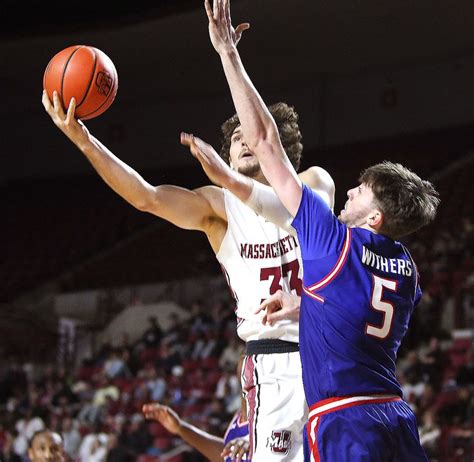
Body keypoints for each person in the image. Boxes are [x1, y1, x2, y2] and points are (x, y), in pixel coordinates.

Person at [42, 46, 334, 461]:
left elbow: (304, 207)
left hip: (331, 350)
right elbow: (147, 197)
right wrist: (85, 141)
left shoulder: (313, 181)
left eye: (250, 134)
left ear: (274, 142)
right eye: (234, 140)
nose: (242, 142)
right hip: (273, 361)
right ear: (228, 157)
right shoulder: (218, 207)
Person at [181, 1, 441, 460]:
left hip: (344, 418)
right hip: (395, 415)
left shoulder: (331, 242)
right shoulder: (407, 271)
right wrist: (307, 302)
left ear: (374, 217)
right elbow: (357, 309)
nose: (349, 194)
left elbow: (265, 141)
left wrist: (227, 53)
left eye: (360, 192)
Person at [142, 398, 250, 462]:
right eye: (242, 358)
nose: (243, 362)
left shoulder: (265, 414)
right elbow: (226, 457)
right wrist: (181, 428)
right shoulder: (243, 412)